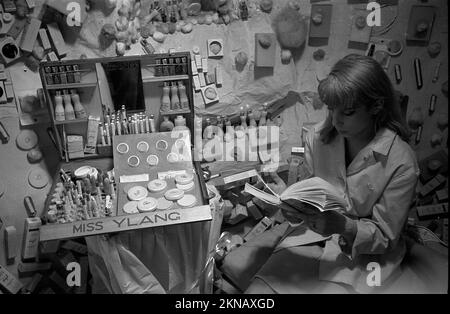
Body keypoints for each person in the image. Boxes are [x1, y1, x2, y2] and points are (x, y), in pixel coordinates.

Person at [245, 54, 420, 294]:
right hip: (312, 236)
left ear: (376, 107)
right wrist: (286, 200)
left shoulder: (401, 162)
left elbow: (385, 237)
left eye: (347, 112)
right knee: (259, 292)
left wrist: (345, 226)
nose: (336, 120)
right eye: (330, 109)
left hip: (366, 254)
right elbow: (309, 198)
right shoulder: (317, 139)